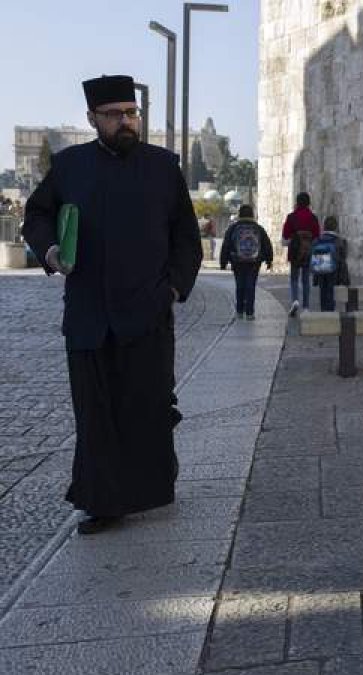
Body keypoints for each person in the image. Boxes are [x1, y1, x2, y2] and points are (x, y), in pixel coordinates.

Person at [21, 75, 202, 535]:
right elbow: (38, 215)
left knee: (147, 406)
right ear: (92, 119)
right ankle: (103, 501)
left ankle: (149, 488)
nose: (126, 121)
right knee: (95, 413)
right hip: (87, 314)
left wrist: (175, 289)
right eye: (115, 114)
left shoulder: (163, 167)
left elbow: (186, 237)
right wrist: (50, 252)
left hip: (146, 311)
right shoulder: (69, 166)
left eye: (132, 112)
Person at [219, 204, 273, 320]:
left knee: (240, 284)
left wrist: (223, 262)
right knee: (251, 285)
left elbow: (226, 245)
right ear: (252, 214)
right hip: (254, 261)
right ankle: (250, 312)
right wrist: (269, 260)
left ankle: (239, 311)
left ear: (240, 214)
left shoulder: (233, 228)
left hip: (237, 261)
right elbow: (267, 245)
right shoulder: (258, 228)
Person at [281, 192, 320, 316]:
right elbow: (317, 235)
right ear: (309, 203)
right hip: (308, 251)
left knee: (294, 278)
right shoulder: (313, 217)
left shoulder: (291, 216)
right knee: (305, 279)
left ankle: (295, 300)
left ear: (297, 202)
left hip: (295, 252)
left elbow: (286, 235)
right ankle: (306, 306)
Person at [311, 215, 350, 312]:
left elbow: (313, 257)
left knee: (322, 292)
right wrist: (345, 279)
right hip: (333, 271)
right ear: (336, 227)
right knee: (331, 292)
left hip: (321, 270)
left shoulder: (317, 241)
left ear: (324, 226)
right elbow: (342, 261)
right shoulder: (340, 241)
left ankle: (324, 311)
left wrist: (314, 277)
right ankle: (330, 312)